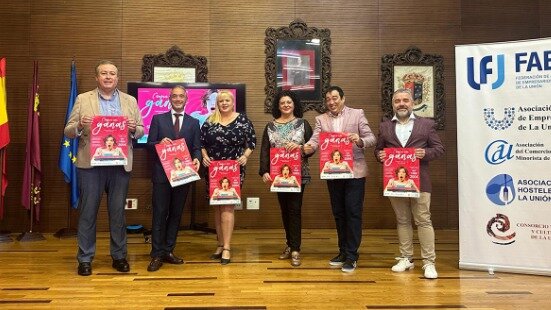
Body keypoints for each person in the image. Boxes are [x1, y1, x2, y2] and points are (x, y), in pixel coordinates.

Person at [63, 60, 144, 276]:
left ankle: (119, 257)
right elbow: (68, 131)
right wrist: (80, 125)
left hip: (119, 165)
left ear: (118, 78)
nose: (108, 77)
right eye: (104, 73)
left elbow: (141, 131)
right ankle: (85, 259)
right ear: (96, 77)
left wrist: (134, 128)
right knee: (88, 213)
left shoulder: (130, 100)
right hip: (91, 166)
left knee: (118, 214)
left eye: (112, 74)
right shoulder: (83, 99)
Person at [303, 85, 376, 273]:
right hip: (333, 173)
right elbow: (315, 140)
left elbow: (371, 139)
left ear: (342, 99)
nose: (331, 102)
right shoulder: (321, 119)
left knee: (353, 212)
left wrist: (358, 139)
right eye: (327, 99)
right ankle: (343, 251)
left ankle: (352, 255)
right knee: (339, 213)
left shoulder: (357, 114)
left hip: (355, 173)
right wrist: (307, 147)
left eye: (334, 98)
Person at [374, 88, 444, 279]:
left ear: (412, 103)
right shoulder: (385, 126)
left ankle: (429, 262)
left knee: (423, 220)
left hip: (420, 182)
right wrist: (380, 156)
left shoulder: (426, 125)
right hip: (395, 182)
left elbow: (439, 148)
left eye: (405, 100)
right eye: (397, 101)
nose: (402, 104)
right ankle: (406, 258)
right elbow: (379, 151)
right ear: (393, 104)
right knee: (402, 220)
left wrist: (425, 153)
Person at [146, 85, 201, 271]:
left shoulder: (193, 122)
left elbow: (196, 147)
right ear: (170, 98)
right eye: (174, 96)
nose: (178, 99)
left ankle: (168, 250)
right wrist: (158, 143)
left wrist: (197, 159)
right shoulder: (158, 119)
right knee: (160, 214)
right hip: (161, 175)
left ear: (186, 99)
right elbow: (149, 144)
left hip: (183, 175)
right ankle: (156, 254)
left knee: (176, 214)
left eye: (181, 96)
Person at [201, 90, 256, 265]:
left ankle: (227, 247)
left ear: (232, 102)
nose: (224, 103)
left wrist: (246, 156)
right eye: (221, 101)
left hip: (233, 169)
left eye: (227, 100)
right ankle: (219, 243)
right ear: (217, 103)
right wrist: (203, 156)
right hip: (213, 168)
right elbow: (201, 142)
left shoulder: (243, 120)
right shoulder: (210, 120)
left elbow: (252, 141)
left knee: (228, 207)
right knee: (217, 207)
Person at [259, 90, 312, 267]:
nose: (286, 105)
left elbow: (312, 148)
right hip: (278, 176)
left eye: (289, 102)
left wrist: (299, 147)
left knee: (294, 210)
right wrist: (264, 171)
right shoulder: (270, 126)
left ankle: (296, 249)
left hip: (299, 175)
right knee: (284, 210)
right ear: (278, 106)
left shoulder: (303, 124)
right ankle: (289, 244)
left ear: (294, 104)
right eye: (283, 103)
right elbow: (265, 150)